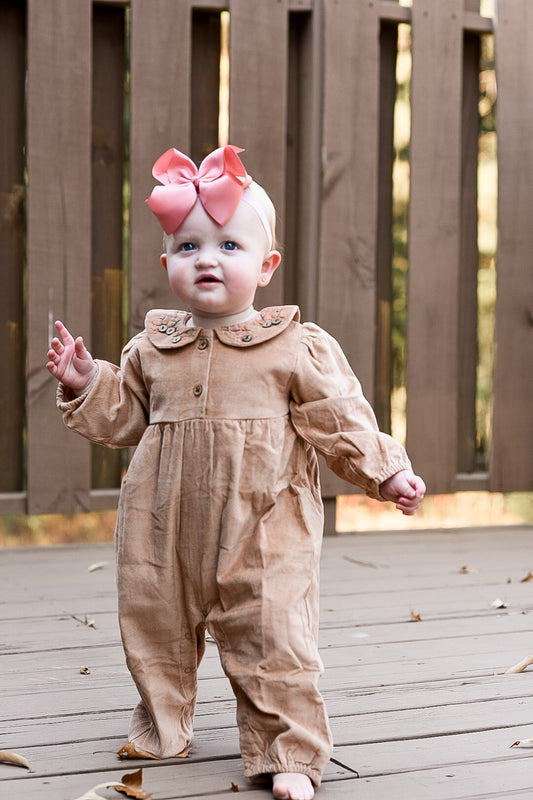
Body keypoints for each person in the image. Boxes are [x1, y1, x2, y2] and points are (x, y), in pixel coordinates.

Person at [47, 145, 425, 800]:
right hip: (161, 524)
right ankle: (163, 722)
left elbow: (339, 419)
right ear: (167, 263)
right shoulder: (151, 348)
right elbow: (124, 417)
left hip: (263, 523)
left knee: (274, 632)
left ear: (266, 265)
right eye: (189, 247)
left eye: (228, 246)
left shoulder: (293, 345)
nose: (207, 260)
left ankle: (289, 756)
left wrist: (384, 473)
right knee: (153, 620)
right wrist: (87, 381)